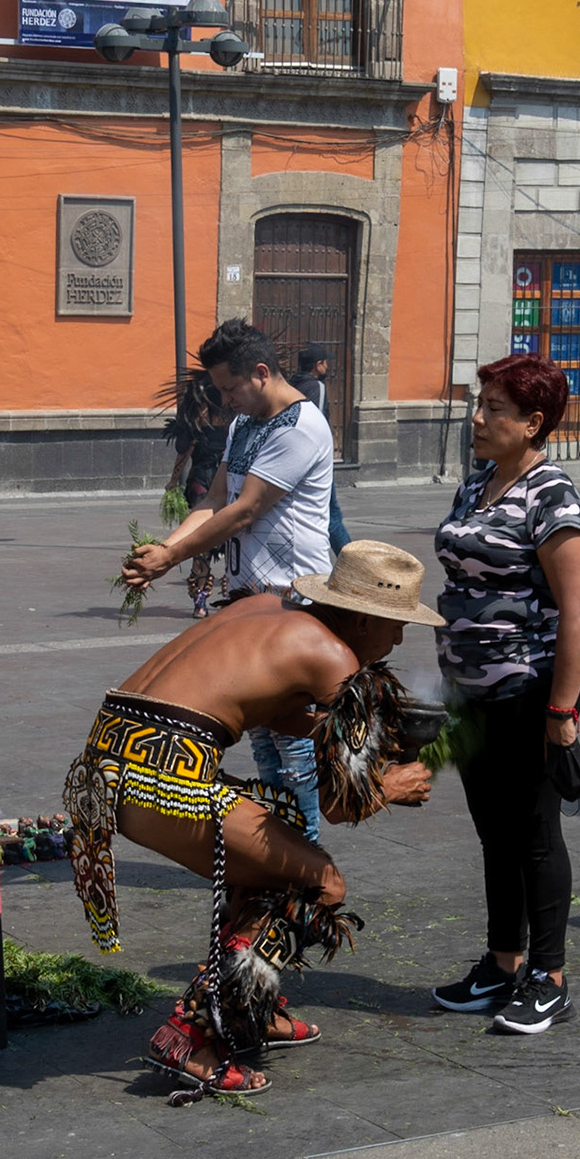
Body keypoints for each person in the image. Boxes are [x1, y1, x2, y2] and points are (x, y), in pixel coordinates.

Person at [64, 542, 439, 1098]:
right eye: (396, 625)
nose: (400, 640)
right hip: (160, 777)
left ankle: (251, 1012)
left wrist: (346, 734)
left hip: (106, 761)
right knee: (320, 881)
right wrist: (393, 781)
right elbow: (339, 806)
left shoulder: (266, 606)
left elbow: (269, 704)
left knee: (268, 851)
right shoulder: (335, 656)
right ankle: (194, 1034)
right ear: (364, 617)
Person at [430, 354, 580, 1034]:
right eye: (480, 404)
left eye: (497, 409)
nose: (479, 418)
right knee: (493, 833)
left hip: (529, 691)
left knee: (533, 835)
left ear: (535, 423)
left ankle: (549, 977)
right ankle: (503, 963)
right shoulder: (477, 485)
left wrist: (562, 713)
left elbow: (579, 610)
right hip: (469, 695)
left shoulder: (552, 496)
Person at [124, 319, 335, 843]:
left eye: (228, 387)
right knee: (263, 736)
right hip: (249, 601)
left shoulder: (301, 426)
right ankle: (280, 847)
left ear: (260, 373)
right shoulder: (245, 424)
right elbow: (214, 500)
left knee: (294, 741)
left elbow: (245, 511)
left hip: (294, 601)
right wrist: (167, 548)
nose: (223, 399)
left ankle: (303, 854)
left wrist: (170, 560)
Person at [161, 367, 231, 617]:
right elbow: (184, 450)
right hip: (205, 482)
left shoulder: (237, 416)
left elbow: (183, 450)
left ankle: (218, 597)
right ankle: (202, 599)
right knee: (202, 541)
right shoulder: (203, 416)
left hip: (220, 482)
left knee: (226, 541)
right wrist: (173, 481)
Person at [289, 345, 352, 555]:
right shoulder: (317, 388)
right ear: (318, 365)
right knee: (331, 512)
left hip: (292, 458)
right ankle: (350, 561)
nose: (327, 366)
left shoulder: (292, 385)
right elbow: (314, 425)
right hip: (315, 461)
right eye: (325, 362)